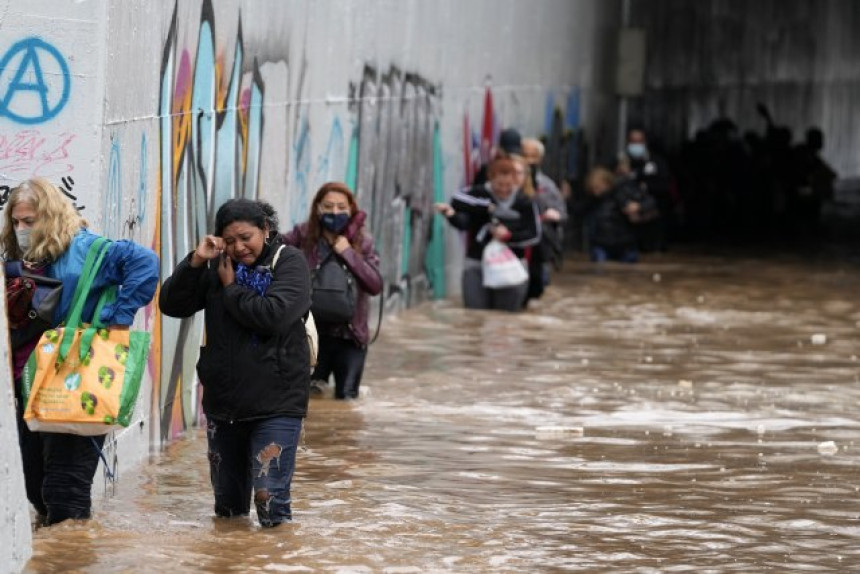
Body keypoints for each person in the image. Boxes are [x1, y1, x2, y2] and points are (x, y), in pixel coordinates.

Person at [0, 177, 158, 526]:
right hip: (29, 385)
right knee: (35, 487)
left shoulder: (86, 248)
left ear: (51, 216)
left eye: (30, 221)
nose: (21, 228)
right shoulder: (18, 257)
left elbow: (145, 262)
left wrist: (115, 317)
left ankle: (70, 556)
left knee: (65, 491)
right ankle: (59, 550)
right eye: (16, 221)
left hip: (76, 379)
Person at [159, 198, 310, 527]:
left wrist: (231, 289)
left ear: (265, 230)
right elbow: (172, 304)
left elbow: (273, 316)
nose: (239, 247)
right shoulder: (217, 266)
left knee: (269, 503)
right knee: (228, 513)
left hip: (277, 404)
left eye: (246, 237)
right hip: (224, 406)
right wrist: (197, 261)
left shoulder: (289, 263)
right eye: (230, 240)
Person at [282, 182, 383, 400]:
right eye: (328, 206)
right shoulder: (302, 235)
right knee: (304, 399)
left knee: (346, 401)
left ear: (351, 209)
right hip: (310, 334)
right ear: (318, 208)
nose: (334, 212)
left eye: (341, 207)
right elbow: (273, 250)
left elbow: (375, 285)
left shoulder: (362, 242)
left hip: (350, 335)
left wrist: (348, 253)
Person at [435, 155, 540, 311]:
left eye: (508, 186)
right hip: (477, 265)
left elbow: (534, 235)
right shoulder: (480, 194)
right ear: (490, 180)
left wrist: (509, 236)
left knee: (504, 321)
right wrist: (482, 207)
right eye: (499, 186)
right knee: (474, 315)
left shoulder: (524, 202)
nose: (504, 190)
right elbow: (459, 204)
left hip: (511, 268)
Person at [521, 138, 568, 297]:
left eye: (532, 156)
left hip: (541, 246)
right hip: (517, 245)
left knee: (538, 289)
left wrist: (554, 215)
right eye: (524, 155)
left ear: (540, 159)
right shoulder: (510, 182)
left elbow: (562, 213)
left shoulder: (547, 186)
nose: (528, 160)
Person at [618, 127, 674, 251]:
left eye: (639, 142)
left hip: (651, 211)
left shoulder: (656, 162)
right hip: (625, 212)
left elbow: (664, 185)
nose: (636, 145)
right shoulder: (620, 161)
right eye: (633, 141)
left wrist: (646, 187)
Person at [583, 167, 653, 263]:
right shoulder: (593, 201)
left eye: (598, 187)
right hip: (602, 244)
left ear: (606, 183)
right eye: (593, 189)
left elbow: (650, 202)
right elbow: (579, 209)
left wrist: (638, 206)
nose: (596, 192)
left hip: (625, 245)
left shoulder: (623, 191)